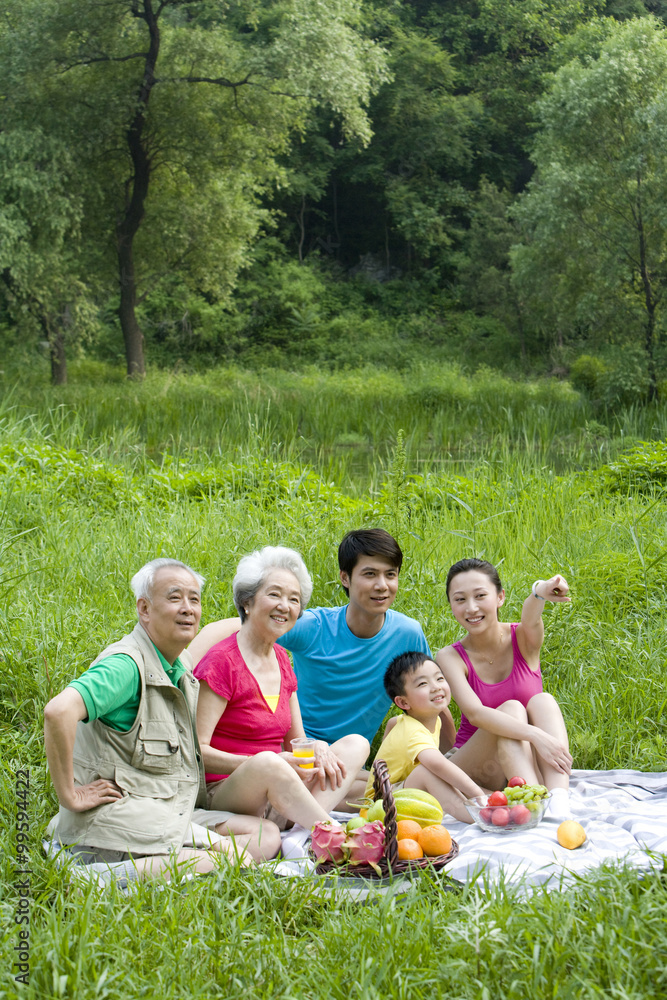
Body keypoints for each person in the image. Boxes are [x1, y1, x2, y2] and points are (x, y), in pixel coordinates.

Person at [44, 558, 281, 882]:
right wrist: (70, 794)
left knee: (265, 835)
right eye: (174, 598)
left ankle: (158, 865)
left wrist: (266, 615)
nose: (188, 608)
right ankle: (94, 877)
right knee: (224, 856)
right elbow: (58, 712)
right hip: (119, 811)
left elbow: (218, 630)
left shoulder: (177, 662)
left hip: (167, 807)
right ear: (144, 609)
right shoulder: (125, 666)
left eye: (194, 600)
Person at [190, 529, 457, 758]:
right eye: (370, 574)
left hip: (351, 754)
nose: (382, 585)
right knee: (380, 789)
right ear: (345, 578)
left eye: (390, 574)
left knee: (378, 776)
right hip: (299, 748)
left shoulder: (407, 633)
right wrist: (181, 672)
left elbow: (430, 695)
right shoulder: (315, 628)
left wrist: (444, 754)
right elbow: (230, 627)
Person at [194, 545, 369, 828]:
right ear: (247, 602)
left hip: (281, 787)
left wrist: (318, 748)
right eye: (274, 594)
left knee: (355, 744)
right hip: (229, 791)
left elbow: (296, 741)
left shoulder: (281, 659)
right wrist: (263, 763)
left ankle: (303, 829)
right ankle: (330, 832)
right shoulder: (221, 661)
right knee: (267, 762)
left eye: (294, 599)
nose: (285, 606)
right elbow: (197, 752)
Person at [435, 558, 572, 817]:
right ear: (451, 605)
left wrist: (539, 591)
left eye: (480, 596)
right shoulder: (449, 657)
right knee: (510, 709)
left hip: (524, 759)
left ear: (500, 597)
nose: (471, 608)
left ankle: (557, 803)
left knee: (543, 701)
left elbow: (531, 617)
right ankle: (535, 803)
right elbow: (475, 713)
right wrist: (534, 734)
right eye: (460, 599)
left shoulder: (523, 639)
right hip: (477, 766)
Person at [365, 651, 484, 822]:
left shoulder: (421, 719)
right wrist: (478, 795)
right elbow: (437, 763)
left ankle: (482, 803)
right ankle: (476, 815)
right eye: (422, 684)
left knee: (442, 765)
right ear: (403, 703)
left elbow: (392, 722)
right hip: (381, 803)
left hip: (401, 790)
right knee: (428, 771)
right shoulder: (413, 730)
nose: (436, 687)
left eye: (439, 679)